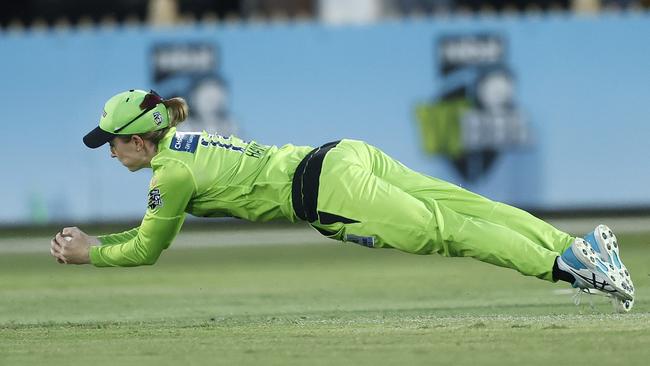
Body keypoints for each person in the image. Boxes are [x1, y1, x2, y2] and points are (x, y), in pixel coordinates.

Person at [50, 89, 635, 312]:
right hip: (343, 154)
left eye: (112, 143)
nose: (109, 153)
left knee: (451, 228)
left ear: (138, 137)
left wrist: (91, 254)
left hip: (330, 191)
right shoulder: (177, 144)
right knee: (468, 205)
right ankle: (575, 246)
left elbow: (149, 246)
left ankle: (566, 265)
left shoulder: (169, 172)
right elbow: (151, 224)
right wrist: (102, 242)